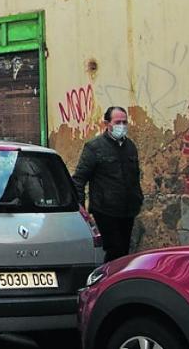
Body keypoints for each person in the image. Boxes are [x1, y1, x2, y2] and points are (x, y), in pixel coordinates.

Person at [72, 106, 143, 262]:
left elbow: (134, 175)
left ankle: (118, 282)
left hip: (128, 210)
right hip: (105, 210)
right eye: (118, 122)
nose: (122, 126)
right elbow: (79, 179)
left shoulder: (130, 147)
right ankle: (106, 281)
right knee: (114, 250)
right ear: (107, 124)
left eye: (125, 122)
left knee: (124, 250)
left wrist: (138, 198)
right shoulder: (94, 147)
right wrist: (81, 208)